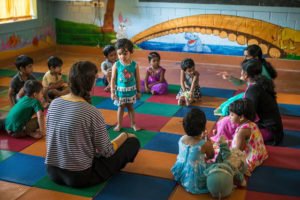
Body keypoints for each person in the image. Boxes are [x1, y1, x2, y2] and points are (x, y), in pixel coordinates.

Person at [45, 61, 140, 188]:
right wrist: (125, 135)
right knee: (133, 143)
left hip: (52, 172)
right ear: (91, 83)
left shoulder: (54, 103)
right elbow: (107, 151)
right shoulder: (91, 112)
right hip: (79, 177)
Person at [212, 59, 283, 145]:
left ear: (245, 74)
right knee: (226, 121)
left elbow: (247, 115)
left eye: (242, 70)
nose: (240, 72)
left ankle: (220, 142)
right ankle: (221, 137)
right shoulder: (258, 83)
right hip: (272, 129)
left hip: (269, 132)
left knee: (227, 123)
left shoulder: (254, 89)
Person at [215, 44, 277, 116]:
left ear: (256, 57)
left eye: (247, 56)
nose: (245, 58)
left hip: (259, 96)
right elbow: (241, 82)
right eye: (244, 55)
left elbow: (261, 91)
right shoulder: (250, 66)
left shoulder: (260, 70)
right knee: (227, 104)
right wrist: (230, 77)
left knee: (228, 108)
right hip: (254, 93)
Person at [171, 108, 214, 194]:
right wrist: (208, 141)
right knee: (215, 166)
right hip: (194, 178)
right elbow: (211, 156)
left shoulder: (182, 139)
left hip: (180, 171)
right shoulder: (204, 144)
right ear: (203, 128)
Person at [228, 99, 268, 175]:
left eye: (232, 114)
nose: (229, 116)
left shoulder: (242, 131)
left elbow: (237, 151)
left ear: (241, 117)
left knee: (220, 154)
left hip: (250, 161)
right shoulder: (252, 124)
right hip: (260, 154)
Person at [111, 38, 141, 131]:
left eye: (125, 53)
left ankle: (133, 124)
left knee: (131, 107)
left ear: (131, 52)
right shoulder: (116, 65)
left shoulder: (134, 65)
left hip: (131, 91)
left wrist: (139, 91)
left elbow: (138, 78)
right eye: (119, 54)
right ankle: (119, 125)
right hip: (120, 92)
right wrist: (112, 92)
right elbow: (112, 79)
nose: (122, 56)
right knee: (121, 107)